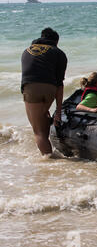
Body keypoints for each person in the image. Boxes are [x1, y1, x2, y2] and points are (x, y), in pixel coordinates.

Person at [21, 27, 67, 155]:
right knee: (44, 121)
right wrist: (58, 111)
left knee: (38, 132)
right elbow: (59, 84)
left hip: (31, 88)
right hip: (50, 89)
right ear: (56, 41)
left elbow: (27, 75)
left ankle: (50, 163)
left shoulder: (26, 51)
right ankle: (49, 153)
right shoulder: (59, 53)